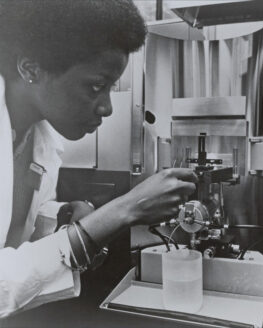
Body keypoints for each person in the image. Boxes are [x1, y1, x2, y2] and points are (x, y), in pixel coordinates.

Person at [0, 0, 197, 318]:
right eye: (95, 86)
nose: (107, 107)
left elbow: (18, 231)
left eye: (110, 88)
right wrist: (121, 211)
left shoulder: (39, 136)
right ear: (31, 69)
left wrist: (62, 216)